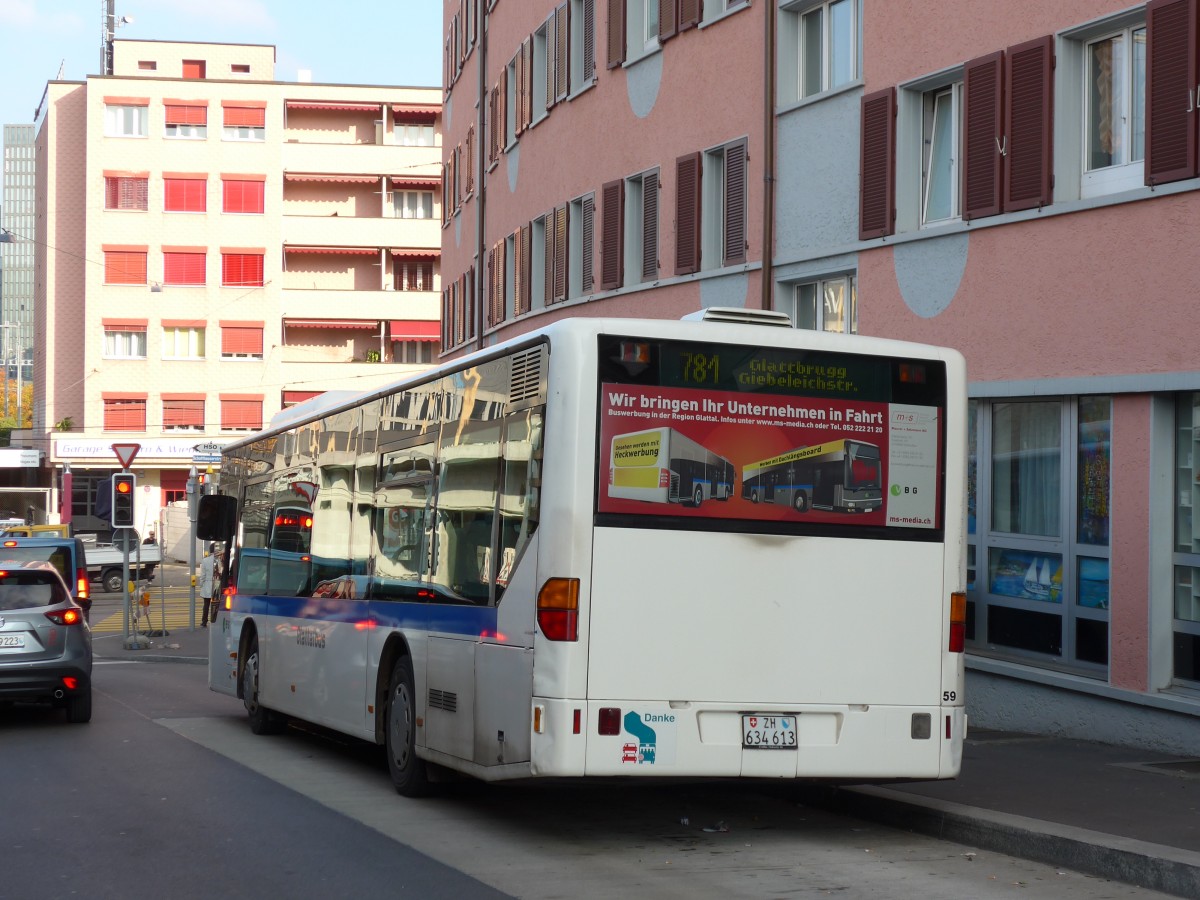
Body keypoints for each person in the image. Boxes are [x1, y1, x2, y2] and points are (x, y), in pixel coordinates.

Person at [199, 543, 217, 627]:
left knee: (206, 605)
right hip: (217, 584)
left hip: (207, 584)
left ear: (210, 550)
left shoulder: (205, 560)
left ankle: (204, 621)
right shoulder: (219, 560)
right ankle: (215, 621)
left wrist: (201, 584)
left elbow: (203, 575)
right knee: (216, 605)